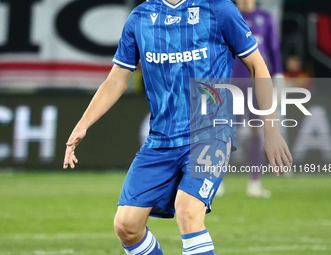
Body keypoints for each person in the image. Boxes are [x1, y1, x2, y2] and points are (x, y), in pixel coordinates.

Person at [63, 0, 292, 254]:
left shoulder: (218, 9)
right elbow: (117, 79)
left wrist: (271, 130)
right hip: (161, 139)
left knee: (188, 212)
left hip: (210, 133)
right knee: (126, 226)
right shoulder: (140, 18)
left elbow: (257, 65)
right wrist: (83, 124)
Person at [216, 0, 285, 198]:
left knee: (257, 133)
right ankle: (217, 182)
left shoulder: (266, 18)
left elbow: (274, 49)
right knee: (227, 133)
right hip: (232, 82)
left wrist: (279, 76)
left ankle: (254, 182)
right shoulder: (228, 15)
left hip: (257, 84)